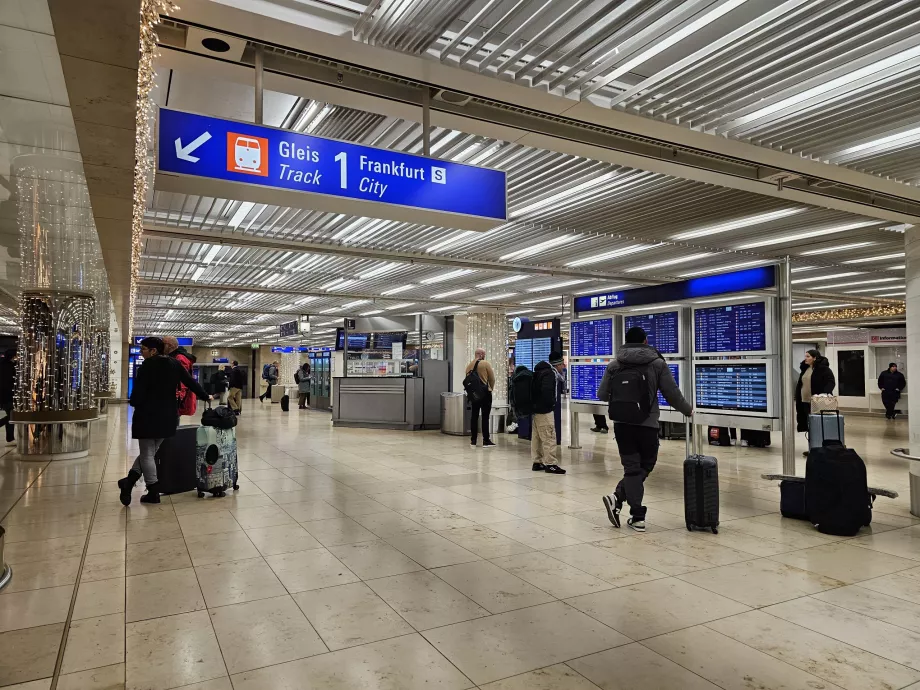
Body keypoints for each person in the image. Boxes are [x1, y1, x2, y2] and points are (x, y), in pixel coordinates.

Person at [599, 327, 692, 532]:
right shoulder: (657, 363)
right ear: (645, 341)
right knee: (646, 465)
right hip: (647, 424)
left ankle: (618, 498)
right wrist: (688, 410)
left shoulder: (614, 365)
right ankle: (637, 515)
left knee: (632, 468)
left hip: (622, 425)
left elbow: (602, 394)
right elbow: (671, 393)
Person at [118, 337, 210, 505]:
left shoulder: (146, 367)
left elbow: (138, 395)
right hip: (168, 417)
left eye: (143, 349)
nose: (141, 352)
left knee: (147, 454)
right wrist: (206, 396)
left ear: (153, 351)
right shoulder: (174, 364)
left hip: (147, 416)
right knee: (150, 453)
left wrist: (134, 402)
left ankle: (153, 491)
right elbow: (190, 382)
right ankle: (129, 482)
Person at [531, 351, 567, 474]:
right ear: (557, 364)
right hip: (544, 410)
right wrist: (550, 404)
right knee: (549, 437)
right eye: (562, 364)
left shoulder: (540, 371)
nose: (564, 367)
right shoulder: (550, 374)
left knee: (537, 437)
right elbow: (546, 392)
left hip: (536, 410)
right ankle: (551, 464)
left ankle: (537, 462)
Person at [795, 349, 836, 454]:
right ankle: (812, 448)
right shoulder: (805, 369)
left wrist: (825, 393)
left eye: (808, 356)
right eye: (805, 356)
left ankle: (821, 448)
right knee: (809, 425)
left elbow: (831, 382)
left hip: (818, 402)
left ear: (815, 358)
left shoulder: (824, 369)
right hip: (805, 401)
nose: (806, 358)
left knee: (818, 425)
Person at [465, 348, 496, 448]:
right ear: (482, 354)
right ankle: (486, 440)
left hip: (474, 395)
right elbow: (492, 378)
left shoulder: (469, 365)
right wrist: (490, 388)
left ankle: (473, 441)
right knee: (485, 417)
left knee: (474, 416)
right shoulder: (485, 363)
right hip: (485, 393)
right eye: (484, 354)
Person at [162, 336, 198, 421]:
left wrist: (177, 399)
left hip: (174, 400)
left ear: (170, 345)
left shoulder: (180, 358)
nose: (161, 346)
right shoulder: (172, 357)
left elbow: (182, 380)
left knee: (171, 426)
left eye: (163, 344)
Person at [0, 349, 16, 444]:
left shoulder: (1, 365)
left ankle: (10, 438)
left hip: (3, 395)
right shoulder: (12, 367)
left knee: (10, 415)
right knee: (11, 416)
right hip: (10, 395)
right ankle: (10, 438)